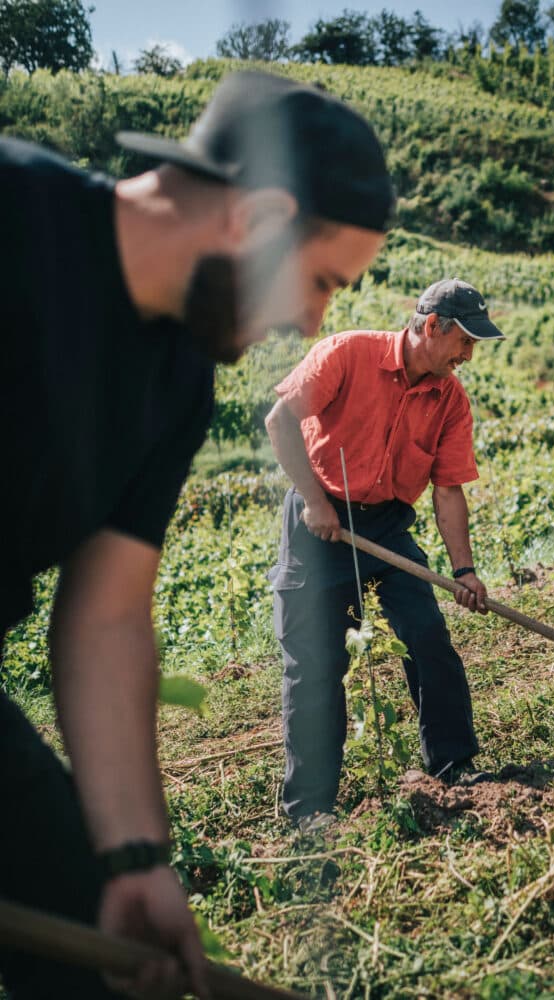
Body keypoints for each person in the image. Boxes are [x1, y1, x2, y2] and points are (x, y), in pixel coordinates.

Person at [0, 70, 392, 1000]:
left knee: (84, 942)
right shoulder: (14, 213)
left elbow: (105, 618)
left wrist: (137, 857)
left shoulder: (175, 384)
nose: (311, 319)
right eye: (321, 281)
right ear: (258, 218)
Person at [265, 278, 506, 833]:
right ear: (431, 327)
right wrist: (316, 502)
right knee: (314, 665)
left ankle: (453, 766)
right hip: (318, 520)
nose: (469, 356)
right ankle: (311, 811)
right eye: (464, 341)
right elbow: (280, 421)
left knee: (427, 635)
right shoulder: (346, 354)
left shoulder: (450, 399)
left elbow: (448, 490)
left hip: (388, 526)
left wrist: (465, 571)